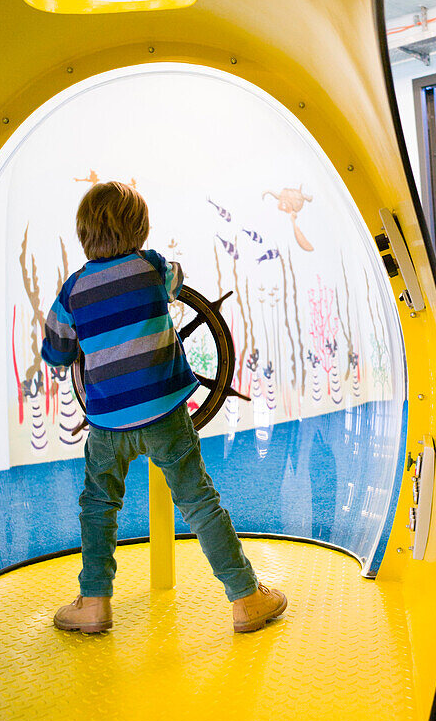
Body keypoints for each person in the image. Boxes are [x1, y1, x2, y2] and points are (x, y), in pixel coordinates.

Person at [41, 180, 287, 636]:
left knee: (98, 505)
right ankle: (246, 599)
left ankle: (94, 603)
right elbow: (177, 281)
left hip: (107, 424)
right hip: (167, 414)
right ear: (141, 228)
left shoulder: (73, 290)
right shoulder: (150, 266)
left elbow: (55, 352)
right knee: (198, 501)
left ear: (83, 233)